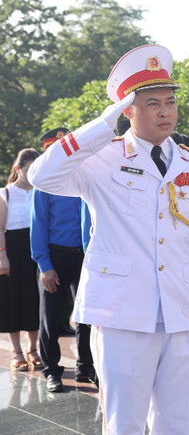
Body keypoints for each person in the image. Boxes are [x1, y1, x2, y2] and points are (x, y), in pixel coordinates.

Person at [28, 44, 189, 434]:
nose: (165, 112)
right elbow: (40, 176)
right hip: (123, 312)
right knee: (124, 423)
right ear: (127, 110)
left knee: (176, 423)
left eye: (170, 102)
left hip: (180, 310)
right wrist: (101, 125)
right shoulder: (101, 158)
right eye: (152, 104)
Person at [31, 128, 96, 393]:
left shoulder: (85, 176)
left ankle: (85, 366)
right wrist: (45, 265)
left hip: (85, 255)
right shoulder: (45, 183)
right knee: (51, 318)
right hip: (55, 256)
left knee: (87, 315)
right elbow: (38, 225)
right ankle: (51, 370)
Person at [0, 148, 42, 372]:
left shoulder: (41, 191)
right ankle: (16, 351)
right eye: (28, 169)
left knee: (34, 298)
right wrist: (2, 256)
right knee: (12, 300)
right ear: (17, 169)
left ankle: (32, 348)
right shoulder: (5, 194)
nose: (32, 174)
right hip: (13, 250)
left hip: (36, 248)